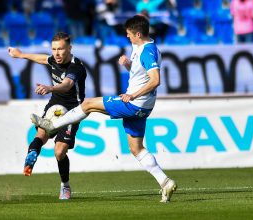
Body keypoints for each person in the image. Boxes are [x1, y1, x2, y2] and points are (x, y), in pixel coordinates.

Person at [30, 15, 177, 203]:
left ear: (138, 34)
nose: (127, 37)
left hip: (134, 103)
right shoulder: (146, 47)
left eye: (130, 34)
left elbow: (155, 80)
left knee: (88, 104)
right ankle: (165, 182)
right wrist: (128, 65)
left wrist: (132, 95)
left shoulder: (147, 51)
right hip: (144, 107)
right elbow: (143, 73)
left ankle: (53, 126)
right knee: (136, 149)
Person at [8, 32, 87, 200]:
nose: (56, 54)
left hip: (72, 111)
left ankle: (65, 186)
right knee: (41, 135)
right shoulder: (53, 59)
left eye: (60, 49)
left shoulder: (76, 67)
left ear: (69, 48)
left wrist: (50, 88)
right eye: (54, 49)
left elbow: (67, 85)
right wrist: (20, 55)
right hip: (54, 107)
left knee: (59, 152)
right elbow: (43, 59)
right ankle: (32, 155)